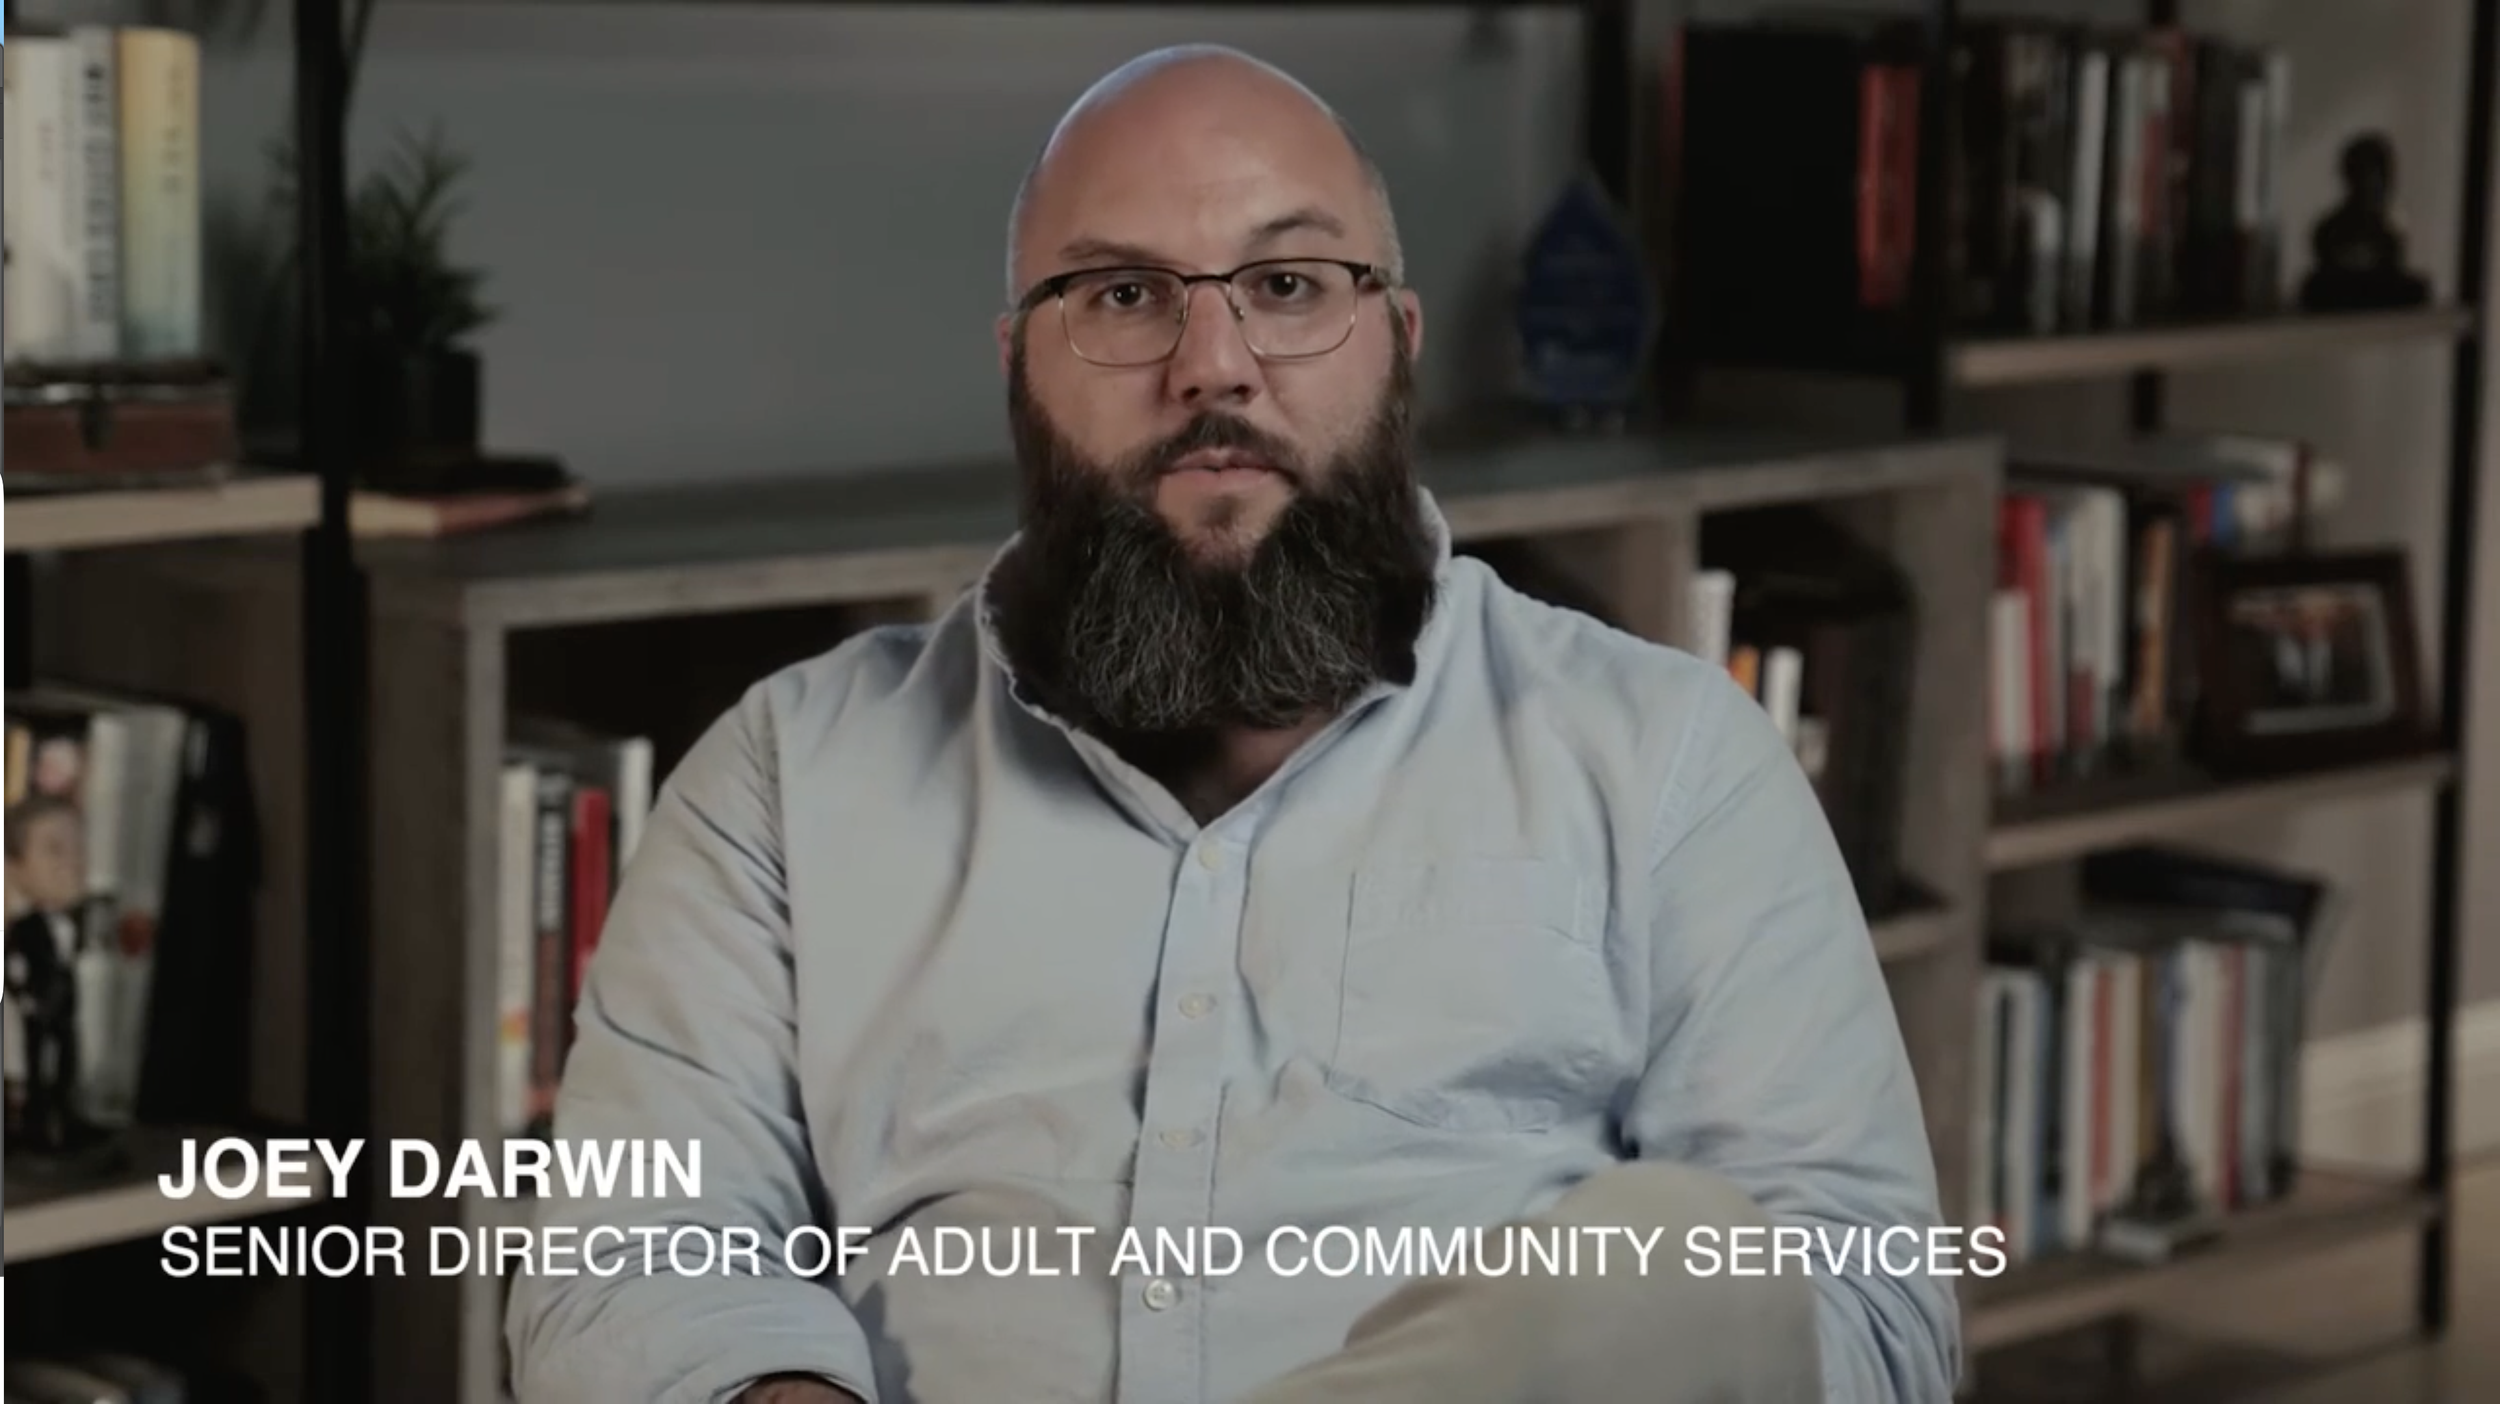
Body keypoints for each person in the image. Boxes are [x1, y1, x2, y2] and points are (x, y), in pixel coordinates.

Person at [504, 45, 1958, 1404]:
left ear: (1394, 340)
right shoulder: (784, 777)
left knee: (1676, 1272)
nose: (1214, 363)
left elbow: (1875, 1309)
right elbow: (626, 1255)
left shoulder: (1667, 758)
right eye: (1123, 296)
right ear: (1019, 366)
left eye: (1288, 282)